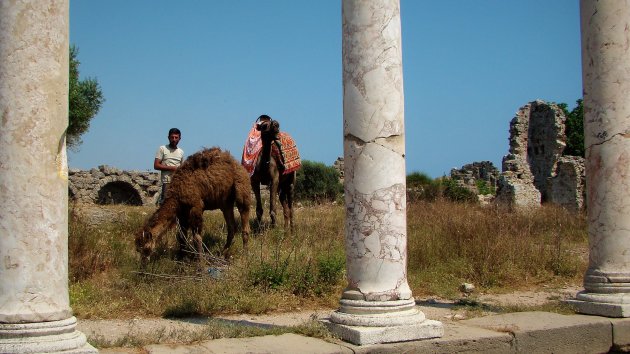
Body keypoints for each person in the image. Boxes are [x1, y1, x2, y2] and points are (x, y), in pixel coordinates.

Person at [154, 128, 184, 205]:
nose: (174, 139)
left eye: (176, 137)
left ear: (180, 138)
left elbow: (182, 168)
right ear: (168, 138)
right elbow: (156, 165)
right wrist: (172, 168)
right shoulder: (162, 149)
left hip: (177, 182)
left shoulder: (181, 152)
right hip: (166, 182)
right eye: (172, 137)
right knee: (165, 203)